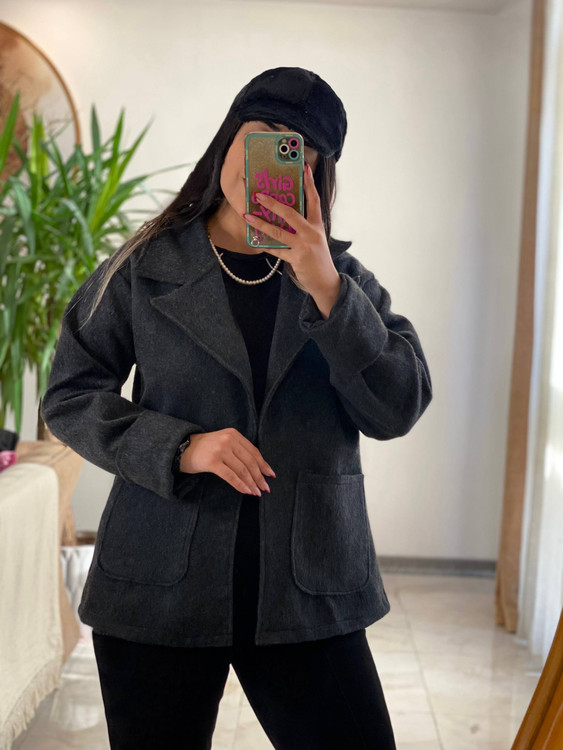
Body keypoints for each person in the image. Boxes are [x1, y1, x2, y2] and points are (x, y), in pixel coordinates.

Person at [41, 67, 433, 749]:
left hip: (310, 584)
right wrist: (180, 447)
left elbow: (396, 407)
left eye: (296, 150)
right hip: (159, 580)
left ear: (316, 174)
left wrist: (328, 291)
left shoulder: (342, 281)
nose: (271, 161)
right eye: (264, 136)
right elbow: (71, 395)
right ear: (229, 140)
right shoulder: (142, 267)